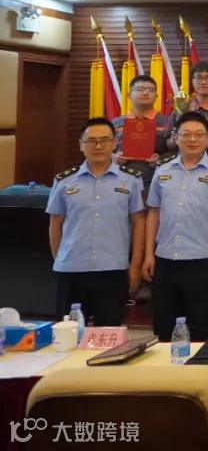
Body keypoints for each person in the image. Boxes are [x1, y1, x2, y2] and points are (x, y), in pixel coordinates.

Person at [143, 112, 208, 341]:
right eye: (186, 134)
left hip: (203, 261)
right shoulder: (162, 170)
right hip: (165, 258)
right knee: (164, 328)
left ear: (207, 137)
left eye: (199, 134)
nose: (192, 139)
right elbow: (153, 212)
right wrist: (148, 254)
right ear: (176, 137)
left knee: (200, 328)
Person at [48, 118, 145, 326]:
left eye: (104, 140)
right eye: (91, 141)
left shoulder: (131, 180)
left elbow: (139, 224)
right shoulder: (64, 181)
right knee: (69, 333)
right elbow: (55, 224)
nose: (98, 146)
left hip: (112, 270)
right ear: (81, 144)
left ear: (114, 143)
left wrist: (135, 265)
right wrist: (60, 259)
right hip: (71, 270)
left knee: (108, 334)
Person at [111, 74, 169, 196]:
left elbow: (175, 152)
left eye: (150, 90)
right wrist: (114, 157)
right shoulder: (115, 123)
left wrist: (160, 159)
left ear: (156, 96)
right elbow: (104, 151)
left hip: (155, 182)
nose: (145, 93)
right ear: (129, 95)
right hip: (120, 182)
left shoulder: (166, 122)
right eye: (140, 89)